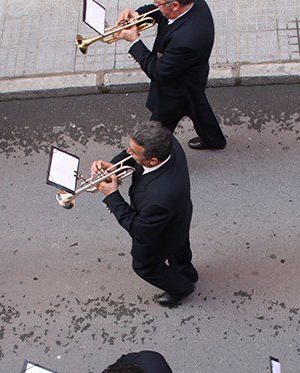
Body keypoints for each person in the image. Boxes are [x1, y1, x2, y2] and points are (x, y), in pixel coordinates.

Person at [93, 121, 197, 307]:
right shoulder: (167, 141)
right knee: (179, 245)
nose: (128, 152)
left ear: (153, 161)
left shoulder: (159, 196)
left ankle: (182, 287)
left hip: (160, 227)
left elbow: (139, 230)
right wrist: (114, 165)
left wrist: (112, 196)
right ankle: (186, 272)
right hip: (178, 216)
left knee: (145, 266)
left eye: (133, 152)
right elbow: (130, 155)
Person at [116, 0, 227, 150]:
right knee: (198, 108)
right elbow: (161, 12)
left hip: (176, 89)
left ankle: (153, 157)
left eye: (158, 3)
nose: (155, 4)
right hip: (193, 76)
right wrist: (138, 15)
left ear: (175, 5)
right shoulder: (193, 4)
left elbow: (158, 72)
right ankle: (215, 140)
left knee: (158, 130)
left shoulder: (187, 39)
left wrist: (134, 42)